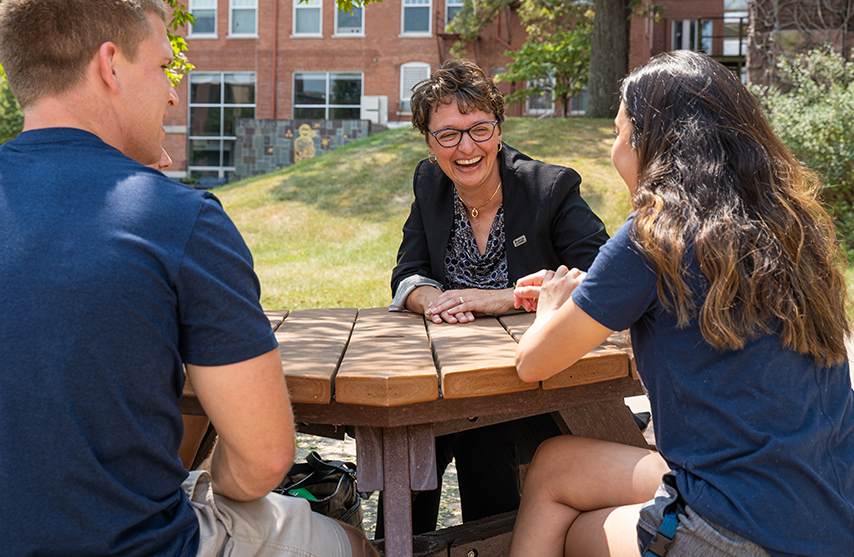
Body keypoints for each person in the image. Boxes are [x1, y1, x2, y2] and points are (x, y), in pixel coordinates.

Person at [0, 1, 376, 556]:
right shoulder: (178, 217)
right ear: (110, 66)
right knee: (346, 541)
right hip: (140, 546)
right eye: (161, 67)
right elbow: (264, 458)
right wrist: (212, 487)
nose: (173, 95)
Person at [509, 50, 854, 557]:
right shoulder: (792, 226)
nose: (614, 148)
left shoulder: (653, 237)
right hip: (830, 506)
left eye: (618, 132)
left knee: (569, 529)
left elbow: (532, 363)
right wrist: (601, 294)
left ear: (648, 144)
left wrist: (552, 309)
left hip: (741, 528)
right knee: (555, 463)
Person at [384, 58, 610, 534]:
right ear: (429, 143)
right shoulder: (431, 185)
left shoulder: (549, 187)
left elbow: (603, 276)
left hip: (542, 386)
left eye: (479, 129)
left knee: (478, 433)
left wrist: (504, 298)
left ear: (500, 129)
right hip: (453, 381)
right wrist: (430, 299)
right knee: (407, 433)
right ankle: (399, 546)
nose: (466, 147)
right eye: (448, 134)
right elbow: (408, 271)